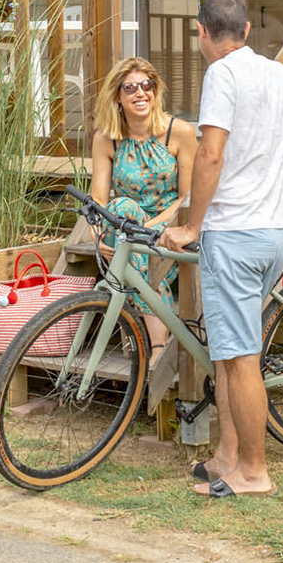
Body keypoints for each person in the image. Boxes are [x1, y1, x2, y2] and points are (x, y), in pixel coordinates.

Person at [160, 0, 283, 499]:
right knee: (228, 350)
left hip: (233, 235)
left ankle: (254, 473)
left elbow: (210, 154)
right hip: (272, 234)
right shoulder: (277, 74)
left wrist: (193, 226)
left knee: (240, 357)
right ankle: (227, 456)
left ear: (202, 32)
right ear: (244, 30)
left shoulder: (222, 75)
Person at [89, 56, 196, 349]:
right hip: (126, 228)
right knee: (122, 207)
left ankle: (150, 342)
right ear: (117, 96)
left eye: (147, 85)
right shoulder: (106, 139)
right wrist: (96, 233)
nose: (140, 93)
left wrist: (150, 227)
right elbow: (99, 199)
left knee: (134, 246)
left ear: (155, 90)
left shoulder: (180, 132)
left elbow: (187, 197)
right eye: (130, 87)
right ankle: (157, 345)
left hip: (169, 228)